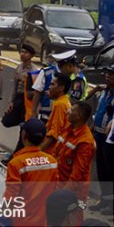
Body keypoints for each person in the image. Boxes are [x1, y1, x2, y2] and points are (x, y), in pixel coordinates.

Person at [2, 118, 58, 227]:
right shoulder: (52, 162)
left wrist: (2, 216)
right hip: (42, 220)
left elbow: (11, 196)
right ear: (43, 139)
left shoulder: (17, 163)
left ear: (23, 135)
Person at [54, 101, 96, 225]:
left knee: (72, 219)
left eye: (72, 110)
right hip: (59, 184)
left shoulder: (85, 142)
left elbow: (77, 174)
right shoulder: (68, 128)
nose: (68, 111)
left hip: (76, 192)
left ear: (79, 117)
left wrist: (63, 193)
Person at [31, 50, 86, 121]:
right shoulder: (46, 73)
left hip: (64, 117)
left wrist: (55, 96)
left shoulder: (78, 80)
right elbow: (37, 92)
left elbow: (75, 100)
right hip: (45, 115)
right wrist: (33, 111)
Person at [91, 64, 114, 214]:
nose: (107, 76)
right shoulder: (105, 91)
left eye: (111, 74)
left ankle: (111, 206)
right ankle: (104, 200)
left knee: (110, 171)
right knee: (101, 171)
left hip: (110, 139)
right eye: (107, 73)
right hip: (98, 135)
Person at [39, 73, 72, 153]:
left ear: (61, 88)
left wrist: (38, 151)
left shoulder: (60, 105)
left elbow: (55, 133)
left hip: (51, 151)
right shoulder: (64, 102)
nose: (49, 87)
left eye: (52, 84)